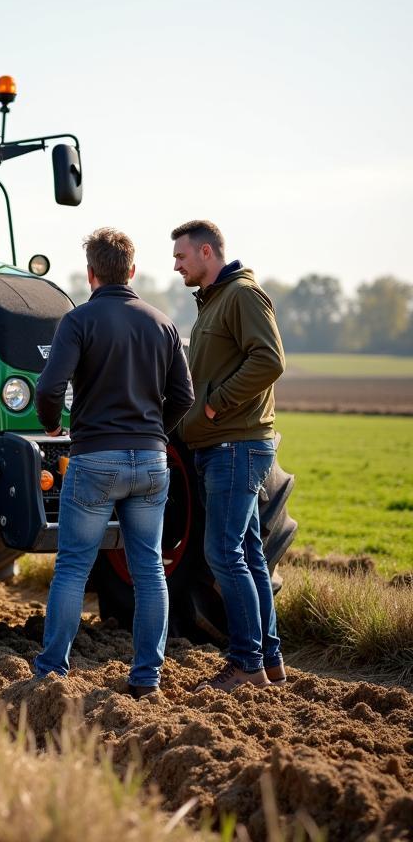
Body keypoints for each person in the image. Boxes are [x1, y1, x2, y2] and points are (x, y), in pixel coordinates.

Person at [34, 228, 194, 697]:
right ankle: (147, 678)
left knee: (72, 568)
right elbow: (183, 396)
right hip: (150, 460)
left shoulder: (78, 322)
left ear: (90, 274)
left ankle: (51, 674)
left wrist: (50, 425)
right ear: (132, 271)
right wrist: (154, 434)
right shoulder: (163, 324)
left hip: (94, 459)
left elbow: (48, 389)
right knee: (149, 570)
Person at [170, 219, 287, 692]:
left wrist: (216, 403)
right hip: (225, 443)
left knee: (223, 553)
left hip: (235, 444)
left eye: (181, 256)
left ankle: (245, 664)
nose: (175, 264)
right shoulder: (215, 302)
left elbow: (270, 359)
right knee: (249, 555)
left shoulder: (241, 295)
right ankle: (270, 660)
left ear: (206, 253)